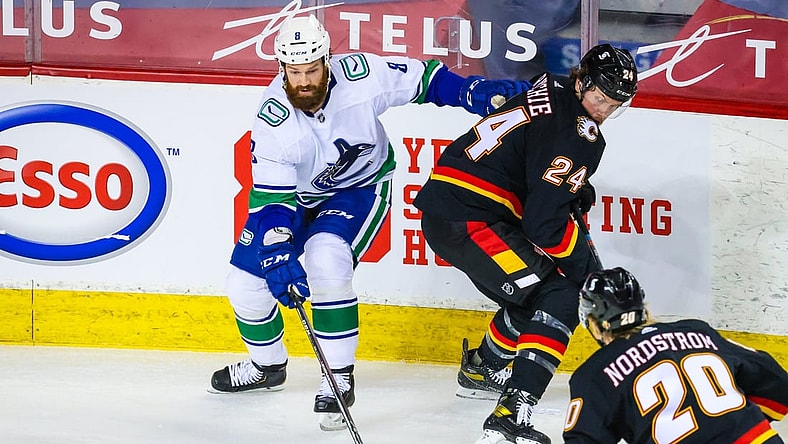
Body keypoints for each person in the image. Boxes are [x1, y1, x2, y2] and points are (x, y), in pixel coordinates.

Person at [208, 13, 530, 431]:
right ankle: (267, 367)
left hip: (359, 190)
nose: (304, 81)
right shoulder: (274, 123)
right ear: (281, 68)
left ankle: (338, 377)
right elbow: (274, 203)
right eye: (294, 72)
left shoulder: (361, 76)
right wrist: (275, 248)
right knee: (244, 286)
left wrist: (472, 91)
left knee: (327, 259)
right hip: (295, 201)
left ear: (326, 60)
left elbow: (426, 80)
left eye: (311, 69)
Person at [413, 43, 638, 443]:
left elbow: (534, 158)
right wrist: (591, 276)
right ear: (582, 82)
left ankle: (484, 366)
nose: (603, 111)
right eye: (600, 98)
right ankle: (511, 414)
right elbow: (544, 225)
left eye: (614, 105)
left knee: (533, 292)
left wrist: (570, 188)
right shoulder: (581, 136)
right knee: (563, 296)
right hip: (471, 219)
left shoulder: (548, 86)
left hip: (455, 208)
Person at [565, 267, 788, 443]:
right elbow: (779, 384)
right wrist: (733, 421)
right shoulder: (698, 331)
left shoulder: (594, 374)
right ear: (643, 306)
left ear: (593, 324)